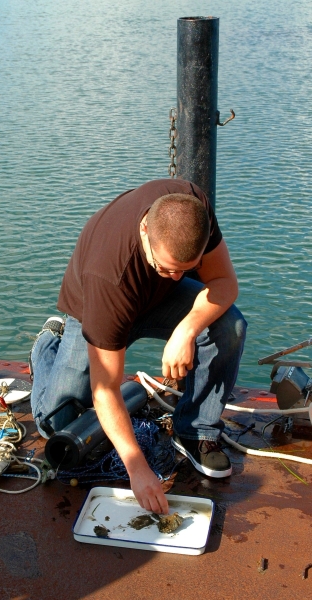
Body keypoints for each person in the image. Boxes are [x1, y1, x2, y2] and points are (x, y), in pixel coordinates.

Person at [30, 179, 247, 515]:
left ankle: (196, 429)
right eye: (164, 268)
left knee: (229, 326)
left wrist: (186, 330)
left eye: (185, 271)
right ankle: (46, 345)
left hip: (155, 301)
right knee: (58, 426)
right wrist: (138, 469)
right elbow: (106, 390)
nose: (175, 278)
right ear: (145, 229)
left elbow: (225, 282)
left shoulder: (193, 208)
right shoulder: (108, 276)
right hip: (100, 307)